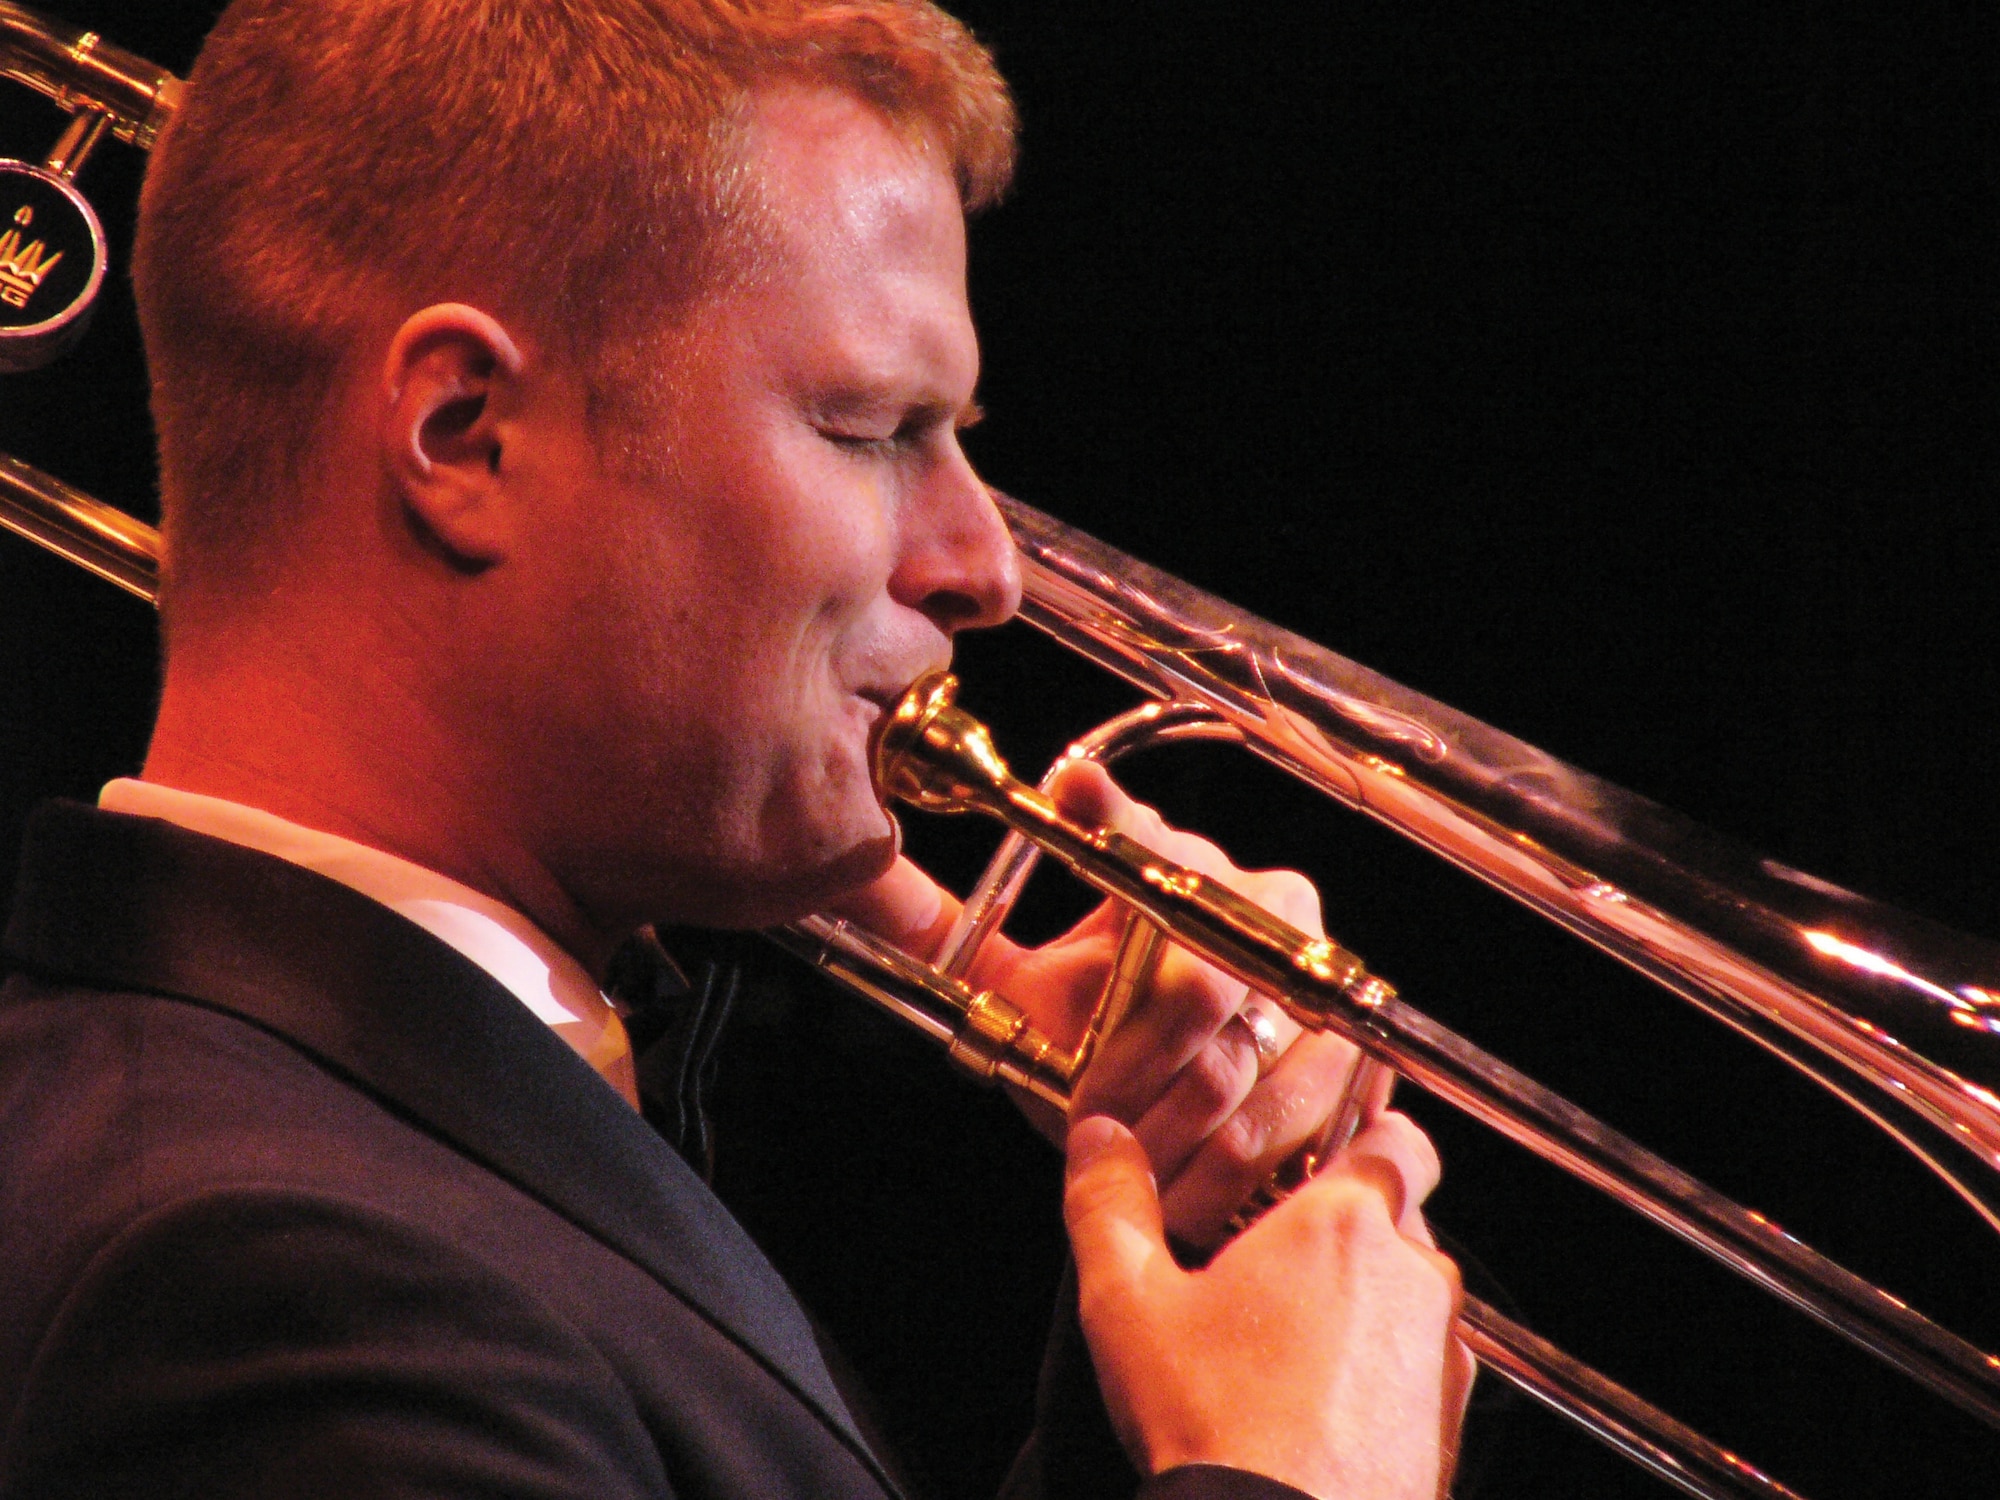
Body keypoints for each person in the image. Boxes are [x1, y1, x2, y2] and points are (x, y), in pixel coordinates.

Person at [0, 2, 1469, 1496]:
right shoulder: (256, 1277)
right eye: (873, 425)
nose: (985, 566)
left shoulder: (379, 1126)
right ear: (463, 435)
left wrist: (1181, 1291)